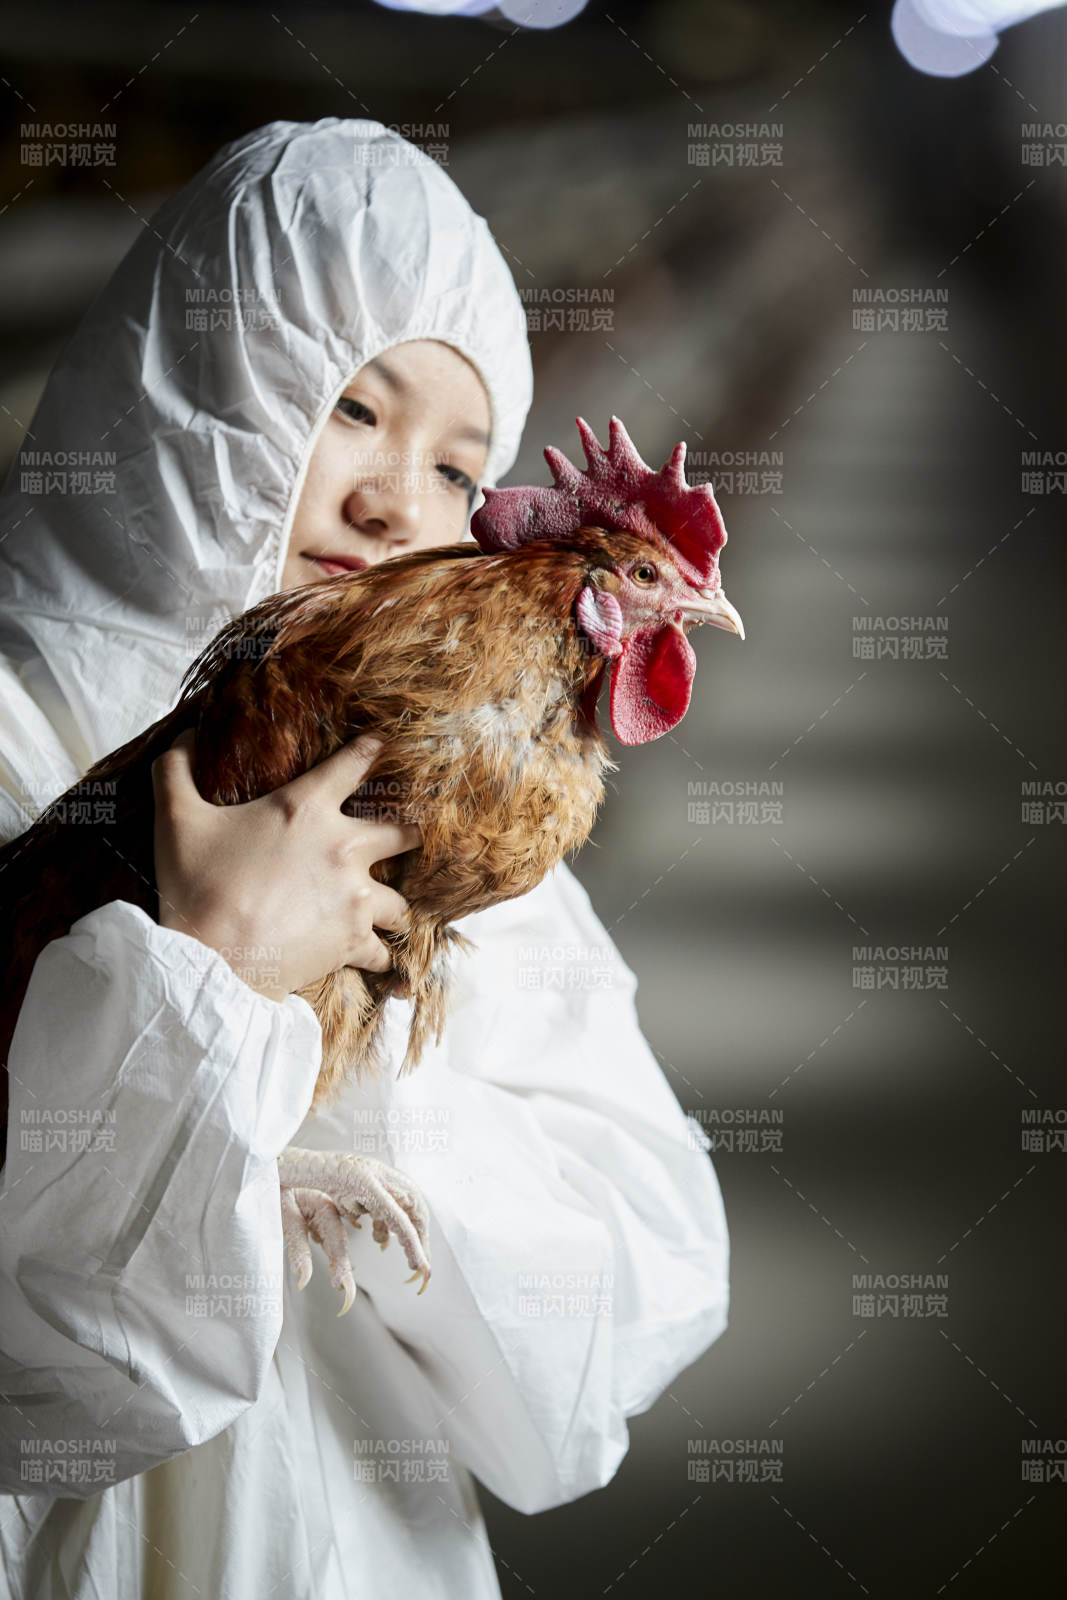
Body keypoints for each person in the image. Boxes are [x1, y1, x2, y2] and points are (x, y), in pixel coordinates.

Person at [0, 118, 729, 1599]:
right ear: (193, 377)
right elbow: (53, 1388)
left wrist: (384, 1114)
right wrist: (210, 984)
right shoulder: (19, 737)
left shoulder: (455, 808)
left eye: (460, 463)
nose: (400, 500)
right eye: (349, 408)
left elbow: (597, 1374)